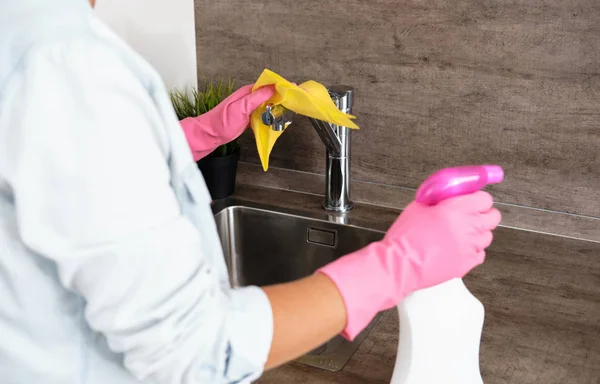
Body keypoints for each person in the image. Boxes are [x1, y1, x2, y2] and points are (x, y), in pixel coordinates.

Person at [0, 0, 502, 383]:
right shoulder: (63, 63)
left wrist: (197, 135)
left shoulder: (26, 39)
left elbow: (66, 177)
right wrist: (394, 264)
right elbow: (194, 351)